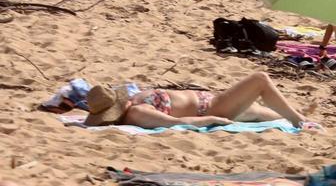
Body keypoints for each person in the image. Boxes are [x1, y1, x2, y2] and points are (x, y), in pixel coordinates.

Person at [83, 73, 307, 129]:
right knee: (260, 80)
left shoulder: (133, 101)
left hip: (213, 102)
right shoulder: (136, 112)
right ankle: (300, 121)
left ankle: (300, 115)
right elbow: (176, 123)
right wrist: (212, 119)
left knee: (260, 113)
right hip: (212, 107)